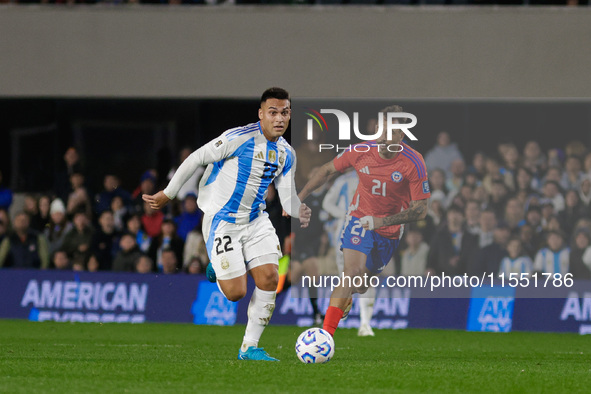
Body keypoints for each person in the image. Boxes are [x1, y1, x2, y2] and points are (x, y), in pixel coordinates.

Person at [142, 87, 310, 361]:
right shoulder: (238, 138)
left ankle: (249, 347)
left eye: (285, 113)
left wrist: (299, 210)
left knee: (270, 278)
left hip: (256, 220)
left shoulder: (286, 154)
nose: (280, 118)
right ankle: (218, 270)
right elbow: (197, 158)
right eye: (273, 112)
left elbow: (287, 194)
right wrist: (168, 193)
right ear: (261, 114)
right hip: (223, 222)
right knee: (236, 293)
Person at [297, 105, 430, 338]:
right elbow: (327, 169)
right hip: (359, 219)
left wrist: (382, 221)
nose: (383, 135)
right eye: (380, 129)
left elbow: (420, 210)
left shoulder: (413, 162)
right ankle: (326, 335)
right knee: (350, 272)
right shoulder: (361, 150)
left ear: (402, 135)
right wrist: (298, 199)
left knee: (360, 285)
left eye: (390, 131)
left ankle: (346, 297)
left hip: (388, 231)